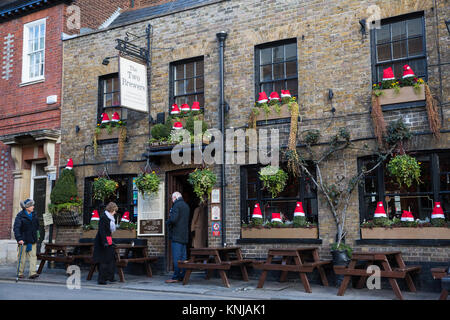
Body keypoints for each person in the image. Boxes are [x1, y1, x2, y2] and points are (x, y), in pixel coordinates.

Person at [165, 191, 190, 283]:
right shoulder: (186, 206)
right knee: (183, 258)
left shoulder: (176, 205)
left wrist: (168, 222)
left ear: (175, 197)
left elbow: (174, 219)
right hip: (184, 236)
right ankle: (182, 276)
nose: (172, 201)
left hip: (177, 235)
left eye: (172, 198)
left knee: (176, 258)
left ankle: (175, 276)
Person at [13, 198, 40, 279]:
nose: (33, 207)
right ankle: (20, 273)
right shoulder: (20, 216)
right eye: (32, 206)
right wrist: (19, 239)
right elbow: (16, 228)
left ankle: (32, 273)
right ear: (27, 207)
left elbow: (37, 227)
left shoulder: (34, 215)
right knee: (22, 258)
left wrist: (37, 235)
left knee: (33, 257)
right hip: (23, 240)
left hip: (32, 239)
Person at [93, 202, 118, 285]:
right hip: (102, 242)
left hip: (108, 240)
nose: (115, 212)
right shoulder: (104, 217)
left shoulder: (110, 218)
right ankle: (101, 279)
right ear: (111, 209)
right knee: (104, 260)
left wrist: (110, 242)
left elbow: (109, 232)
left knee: (111, 258)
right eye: (115, 210)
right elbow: (102, 231)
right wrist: (105, 242)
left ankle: (110, 277)